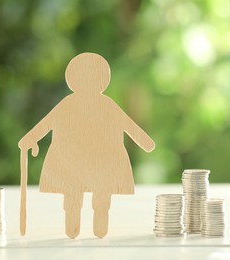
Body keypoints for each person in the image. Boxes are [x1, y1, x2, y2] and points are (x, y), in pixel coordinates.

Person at [18, 52, 155, 238]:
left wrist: (29, 139)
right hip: (82, 162)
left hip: (82, 161)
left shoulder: (79, 104)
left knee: (88, 192)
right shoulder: (100, 104)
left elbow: (45, 124)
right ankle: (85, 218)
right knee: (79, 191)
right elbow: (130, 126)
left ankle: (95, 215)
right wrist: (29, 139)